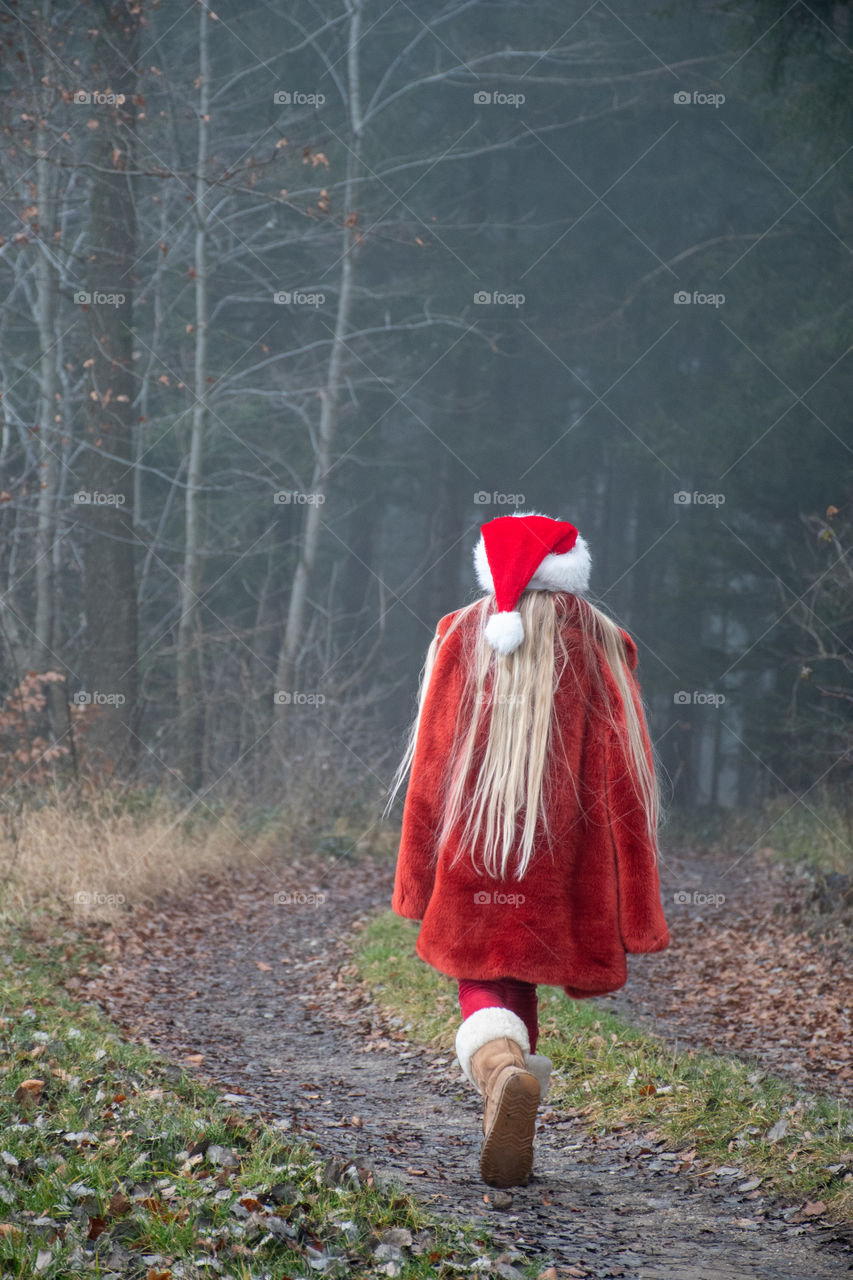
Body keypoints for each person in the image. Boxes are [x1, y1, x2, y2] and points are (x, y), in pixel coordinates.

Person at [383, 510, 670, 1188]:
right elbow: (627, 783)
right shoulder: (601, 641)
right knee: (517, 977)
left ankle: (502, 1078)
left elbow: (428, 771)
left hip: (472, 854)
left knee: (487, 982)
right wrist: (636, 908)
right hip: (563, 871)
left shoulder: (459, 635)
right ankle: (507, 1104)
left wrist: (415, 884)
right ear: (571, 574)